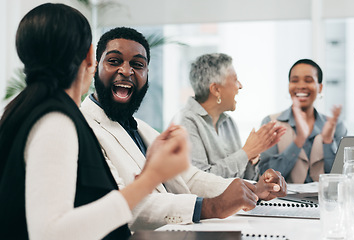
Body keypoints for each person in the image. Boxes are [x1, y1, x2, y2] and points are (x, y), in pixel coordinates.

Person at [0, 4, 189, 240]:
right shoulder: (55, 121)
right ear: (91, 57)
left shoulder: (26, 110)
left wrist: (148, 171)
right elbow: (51, 233)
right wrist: (152, 178)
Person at [80, 27, 287, 230]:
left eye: (138, 64)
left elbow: (189, 177)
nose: (126, 71)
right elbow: (118, 204)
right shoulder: (83, 128)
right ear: (95, 67)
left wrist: (253, 189)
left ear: (147, 73)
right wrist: (209, 207)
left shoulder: (142, 129)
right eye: (114, 61)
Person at [175, 53, 286, 180]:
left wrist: (252, 157)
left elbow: (244, 180)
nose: (240, 86)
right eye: (235, 80)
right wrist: (246, 152)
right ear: (216, 89)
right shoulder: (185, 122)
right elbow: (201, 181)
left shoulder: (229, 122)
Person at [259, 59, 347, 183]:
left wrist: (328, 141)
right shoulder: (271, 123)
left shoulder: (336, 126)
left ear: (320, 87)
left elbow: (341, 178)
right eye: (294, 81)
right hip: (283, 202)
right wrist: (299, 140)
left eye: (308, 80)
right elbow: (265, 176)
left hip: (325, 201)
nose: (301, 86)